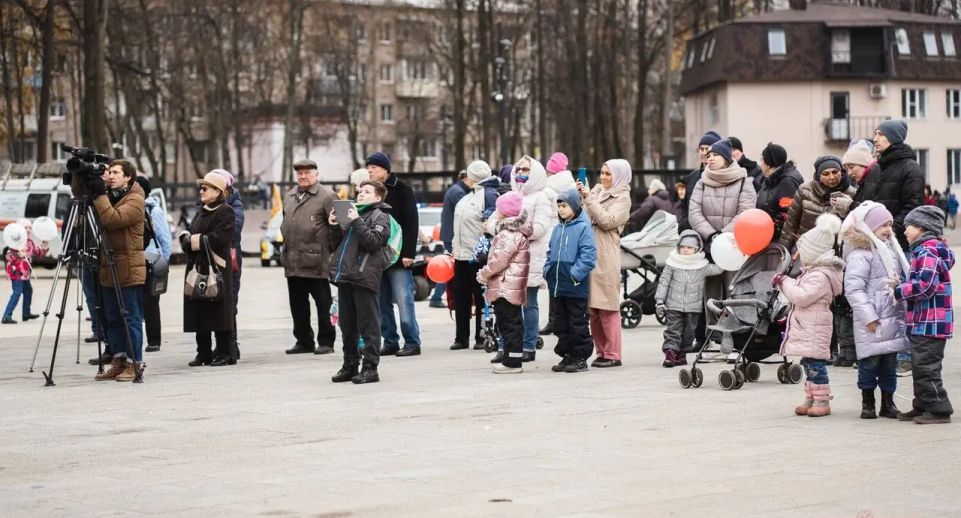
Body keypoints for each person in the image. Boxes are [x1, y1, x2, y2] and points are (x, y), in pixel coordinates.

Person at [75, 159, 146, 381]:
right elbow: (80, 194)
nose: (112, 176)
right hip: (109, 265)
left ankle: (135, 363)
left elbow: (112, 219)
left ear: (128, 177)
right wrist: (81, 174)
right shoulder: (110, 195)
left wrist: (99, 196)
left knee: (130, 317)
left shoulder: (135, 200)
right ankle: (119, 359)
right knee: (112, 317)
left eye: (117, 172)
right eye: (110, 172)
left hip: (128, 268)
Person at [841, 202, 910, 419]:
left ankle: (888, 403)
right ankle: (867, 401)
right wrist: (869, 316)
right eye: (882, 225)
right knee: (869, 363)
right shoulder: (861, 253)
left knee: (890, 363)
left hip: (892, 316)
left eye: (890, 225)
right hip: (872, 320)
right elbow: (854, 289)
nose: (888, 229)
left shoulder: (890, 249)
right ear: (869, 227)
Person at [773, 214, 844, 417]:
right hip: (809, 325)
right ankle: (811, 397)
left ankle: (822, 401)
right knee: (808, 363)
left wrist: (784, 282)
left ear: (813, 253)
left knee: (816, 365)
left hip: (815, 326)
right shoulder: (813, 272)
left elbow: (801, 296)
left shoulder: (820, 276)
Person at [488, 155, 557, 363]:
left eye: (525, 170)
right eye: (518, 170)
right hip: (506, 259)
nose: (520, 174)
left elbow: (540, 229)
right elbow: (492, 223)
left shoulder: (541, 197)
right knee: (506, 306)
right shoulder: (509, 195)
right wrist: (503, 226)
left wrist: (512, 226)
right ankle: (506, 346)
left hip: (530, 257)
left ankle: (528, 344)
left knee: (529, 303)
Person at [893, 206, 955, 424]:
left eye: (908, 226)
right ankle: (922, 405)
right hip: (924, 321)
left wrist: (899, 289)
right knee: (920, 366)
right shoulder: (926, 250)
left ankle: (939, 408)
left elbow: (925, 286)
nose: (905, 231)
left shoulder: (928, 252)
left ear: (922, 227)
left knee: (926, 367)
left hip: (930, 322)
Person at [328, 180, 393, 384]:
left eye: (367, 191)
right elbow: (335, 245)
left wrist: (356, 221)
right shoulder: (352, 213)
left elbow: (373, 243)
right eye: (360, 191)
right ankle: (350, 364)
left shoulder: (380, 216)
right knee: (347, 325)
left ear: (378, 197)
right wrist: (334, 226)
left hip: (365, 276)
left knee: (368, 324)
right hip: (346, 275)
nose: (361, 194)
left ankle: (370, 367)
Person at [366, 152, 422, 357]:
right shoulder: (369, 191)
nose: (370, 171)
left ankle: (412, 341)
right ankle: (390, 340)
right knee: (381, 302)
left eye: (374, 167)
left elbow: (411, 224)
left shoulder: (402, 189)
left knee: (403, 298)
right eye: (368, 167)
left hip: (399, 256)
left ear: (386, 170)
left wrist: (408, 253)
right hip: (377, 256)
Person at [281, 159, 338, 355]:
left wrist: (330, 252)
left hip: (317, 261)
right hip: (293, 260)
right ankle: (304, 341)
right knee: (297, 304)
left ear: (317, 174)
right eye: (300, 173)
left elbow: (340, 227)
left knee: (323, 304)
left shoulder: (328, 196)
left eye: (307, 173)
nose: (303, 176)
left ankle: (326, 341)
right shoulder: (289, 195)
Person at [180, 172, 236, 367]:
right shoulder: (202, 210)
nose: (201, 190)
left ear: (217, 191)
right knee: (198, 309)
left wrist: (191, 241)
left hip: (216, 269)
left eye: (206, 187)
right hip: (198, 267)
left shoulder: (225, 211)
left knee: (218, 309)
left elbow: (218, 238)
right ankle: (202, 352)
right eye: (201, 187)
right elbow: (190, 231)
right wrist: (186, 238)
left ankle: (224, 352)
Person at [580, 159, 632, 368]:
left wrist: (590, 199)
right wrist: (582, 197)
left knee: (607, 306)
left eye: (608, 174)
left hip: (606, 255)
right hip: (589, 253)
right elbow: (584, 215)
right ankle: (600, 352)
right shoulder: (597, 191)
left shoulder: (623, 198)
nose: (603, 177)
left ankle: (613, 354)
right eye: (602, 173)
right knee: (593, 308)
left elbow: (608, 221)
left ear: (618, 176)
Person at [477, 192, 531, 374]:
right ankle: (510, 357)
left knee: (510, 323)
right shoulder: (510, 232)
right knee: (508, 322)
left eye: (499, 208)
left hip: (506, 286)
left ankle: (513, 362)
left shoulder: (508, 234)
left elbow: (500, 260)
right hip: (508, 285)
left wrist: (484, 274)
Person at [545, 188, 597, 373]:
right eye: (559, 205)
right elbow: (550, 252)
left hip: (575, 286)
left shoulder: (583, 228)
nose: (561, 209)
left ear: (574, 207)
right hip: (558, 286)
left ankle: (580, 357)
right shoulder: (557, 228)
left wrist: (575, 274)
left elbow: (588, 256)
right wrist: (548, 270)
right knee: (561, 322)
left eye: (564, 205)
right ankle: (567, 355)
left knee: (577, 322)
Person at [655, 231, 723, 367]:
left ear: (697, 249)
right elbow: (663, 282)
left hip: (693, 308)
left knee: (689, 334)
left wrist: (727, 256)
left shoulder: (702, 266)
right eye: (683, 247)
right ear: (678, 247)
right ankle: (670, 353)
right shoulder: (672, 264)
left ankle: (681, 355)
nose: (685, 250)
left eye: (689, 247)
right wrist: (659, 300)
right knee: (673, 331)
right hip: (673, 306)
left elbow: (719, 269)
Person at [450, 161, 499, 350]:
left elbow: (490, 224)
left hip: (478, 256)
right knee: (460, 297)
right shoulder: (467, 196)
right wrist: (455, 246)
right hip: (461, 256)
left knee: (481, 298)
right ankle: (461, 337)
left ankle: (482, 335)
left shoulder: (488, 195)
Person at [780, 155, 855, 253]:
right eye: (826, 174)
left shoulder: (852, 193)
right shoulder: (804, 190)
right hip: (804, 249)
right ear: (819, 176)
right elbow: (790, 225)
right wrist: (784, 252)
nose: (832, 177)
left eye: (835, 172)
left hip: (833, 253)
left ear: (842, 171)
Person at [688, 139, 757, 243]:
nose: (711, 158)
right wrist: (711, 235)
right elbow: (694, 212)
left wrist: (723, 236)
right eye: (709, 156)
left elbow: (745, 213)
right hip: (706, 245)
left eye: (715, 155)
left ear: (726, 158)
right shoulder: (702, 182)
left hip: (733, 244)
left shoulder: (743, 182)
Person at [872, 119, 925, 252]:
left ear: (893, 138)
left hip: (900, 245)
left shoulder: (911, 168)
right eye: (875, 134)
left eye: (881, 134)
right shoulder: (876, 168)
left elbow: (913, 207)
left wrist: (888, 229)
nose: (875, 139)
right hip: (876, 242)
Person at [540, 152, 576, 336]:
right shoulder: (572, 186)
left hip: (552, 237)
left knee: (553, 281)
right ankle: (568, 318)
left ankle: (554, 319)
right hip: (570, 237)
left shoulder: (546, 189)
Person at [136, 176, 172, 353]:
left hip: (152, 260)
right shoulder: (133, 207)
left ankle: (154, 340)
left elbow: (165, 239)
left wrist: (164, 263)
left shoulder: (153, 210)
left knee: (150, 303)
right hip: (136, 260)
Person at [212, 170, 244, 357]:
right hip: (211, 259)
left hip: (229, 259)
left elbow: (232, 230)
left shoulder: (235, 205)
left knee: (229, 301)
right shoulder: (205, 205)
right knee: (214, 301)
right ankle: (220, 344)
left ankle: (231, 345)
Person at [435, 170, 469, 309]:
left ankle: (440, 296)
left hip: (449, 235)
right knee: (451, 267)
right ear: (466, 178)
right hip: (452, 236)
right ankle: (437, 296)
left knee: (451, 266)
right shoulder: (458, 192)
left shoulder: (455, 190)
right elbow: (465, 213)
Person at [755, 143, 803, 240]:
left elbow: (790, 216)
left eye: (762, 160)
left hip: (780, 240)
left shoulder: (787, 181)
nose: (760, 164)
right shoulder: (770, 179)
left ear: (768, 164)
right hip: (767, 236)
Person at [2, 221, 46, 324]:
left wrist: (44, 247)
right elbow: (8, 257)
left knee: (28, 291)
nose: (28, 230)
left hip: (25, 274)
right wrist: (17, 254)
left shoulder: (30, 242)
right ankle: (6, 316)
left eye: (30, 227)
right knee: (17, 293)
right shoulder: (15, 242)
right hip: (17, 273)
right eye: (25, 227)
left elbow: (38, 252)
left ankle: (26, 313)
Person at [677, 130, 722, 231]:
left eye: (707, 149)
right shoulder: (692, 177)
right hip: (693, 231)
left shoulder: (723, 176)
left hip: (714, 231)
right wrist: (683, 222)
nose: (704, 152)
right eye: (701, 149)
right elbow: (682, 205)